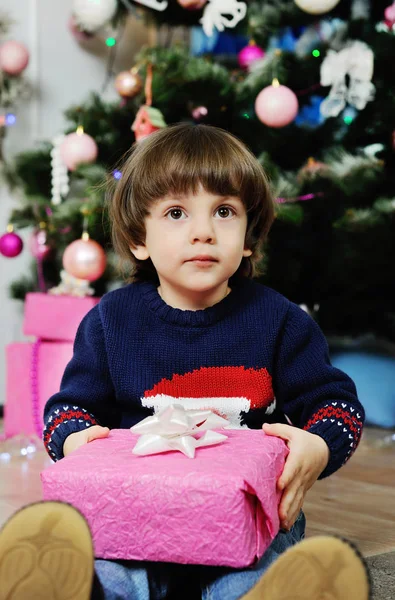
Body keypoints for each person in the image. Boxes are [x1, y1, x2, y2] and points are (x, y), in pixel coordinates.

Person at [0, 124, 370, 600]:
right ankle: (72, 587)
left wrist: (317, 448)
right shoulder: (112, 320)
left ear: (249, 237)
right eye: (177, 212)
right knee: (115, 570)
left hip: (247, 511)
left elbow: (338, 405)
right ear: (139, 240)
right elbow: (67, 408)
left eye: (224, 211)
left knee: (247, 573)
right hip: (137, 509)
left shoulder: (279, 321)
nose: (203, 232)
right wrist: (75, 439)